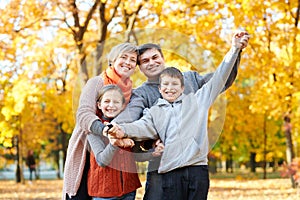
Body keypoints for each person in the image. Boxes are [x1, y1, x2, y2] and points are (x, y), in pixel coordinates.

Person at [108, 31, 250, 200]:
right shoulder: (143, 97)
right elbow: (136, 122)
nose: (151, 63)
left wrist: (235, 50)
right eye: (145, 61)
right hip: (163, 166)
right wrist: (117, 129)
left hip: (195, 164)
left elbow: (220, 79)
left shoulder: (191, 84)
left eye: (155, 57)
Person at [62, 42, 138, 200]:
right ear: (112, 60)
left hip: (114, 157)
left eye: (133, 59)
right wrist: (105, 129)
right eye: (123, 57)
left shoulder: (131, 92)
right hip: (87, 149)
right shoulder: (97, 82)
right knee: (80, 194)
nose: (128, 62)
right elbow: (83, 114)